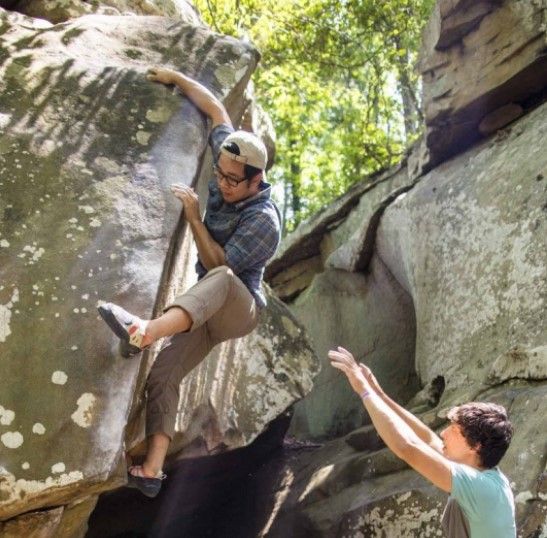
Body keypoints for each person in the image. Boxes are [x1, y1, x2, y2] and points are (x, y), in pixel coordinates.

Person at [98, 67, 281, 498]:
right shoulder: (232, 154)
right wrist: (175, 77)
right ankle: (152, 471)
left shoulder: (264, 222)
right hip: (202, 309)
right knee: (164, 375)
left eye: (233, 180)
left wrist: (196, 219)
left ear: (257, 180)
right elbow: (216, 110)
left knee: (219, 277)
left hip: (237, 307)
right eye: (219, 173)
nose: (222, 182)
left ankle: (143, 331)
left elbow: (220, 265)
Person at [329, 347, 516, 537]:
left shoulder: (481, 488)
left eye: (454, 430)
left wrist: (364, 391)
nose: (443, 433)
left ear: (476, 446)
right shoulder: (482, 472)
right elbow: (427, 439)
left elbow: (407, 447)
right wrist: (379, 394)